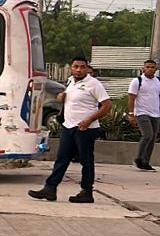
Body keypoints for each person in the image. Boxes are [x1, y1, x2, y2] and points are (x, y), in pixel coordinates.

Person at [30, 55, 110, 203]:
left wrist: (89, 120)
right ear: (71, 68)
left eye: (82, 67)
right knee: (62, 159)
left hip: (85, 129)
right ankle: (50, 189)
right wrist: (62, 97)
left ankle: (87, 192)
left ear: (87, 68)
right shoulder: (71, 82)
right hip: (68, 127)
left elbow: (107, 106)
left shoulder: (94, 84)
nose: (79, 70)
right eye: (76, 67)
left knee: (86, 161)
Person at [128, 59, 160, 171]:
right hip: (141, 112)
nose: (150, 69)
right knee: (147, 134)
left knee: (153, 137)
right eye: (147, 67)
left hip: (155, 113)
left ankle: (145, 162)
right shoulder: (137, 81)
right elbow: (131, 98)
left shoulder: (158, 81)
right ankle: (138, 159)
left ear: (156, 69)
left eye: (152, 67)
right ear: (143, 68)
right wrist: (131, 114)